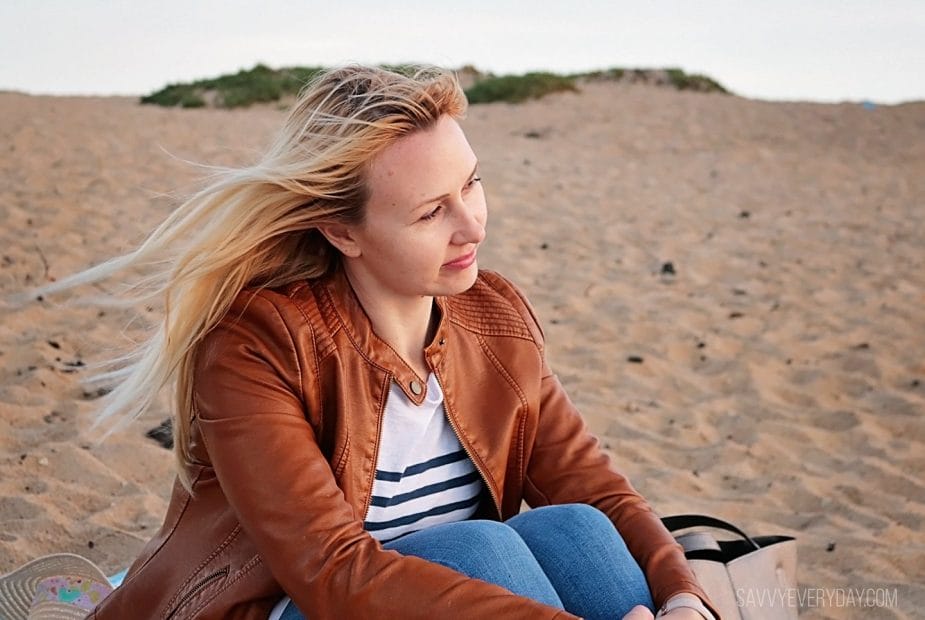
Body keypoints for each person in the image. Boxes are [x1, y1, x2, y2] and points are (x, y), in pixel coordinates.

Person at [31, 65, 718, 620]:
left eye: (471, 184)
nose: (470, 226)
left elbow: (600, 493)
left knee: (577, 534)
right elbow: (331, 574)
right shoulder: (257, 343)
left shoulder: (493, 316)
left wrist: (682, 596)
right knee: (480, 551)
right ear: (342, 231)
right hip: (296, 605)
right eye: (429, 211)